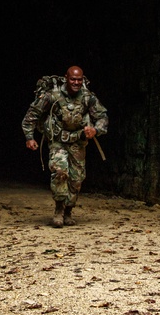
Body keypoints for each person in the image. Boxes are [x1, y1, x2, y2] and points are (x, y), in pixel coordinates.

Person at [22, 66, 109, 228]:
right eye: (73, 79)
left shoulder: (88, 97)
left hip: (78, 141)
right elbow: (32, 115)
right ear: (66, 78)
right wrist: (29, 137)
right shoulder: (52, 95)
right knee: (60, 172)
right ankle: (59, 210)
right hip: (58, 140)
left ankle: (69, 210)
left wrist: (95, 129)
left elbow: (102, 116)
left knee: (76, 179)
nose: (76, 82)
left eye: (79, 79)